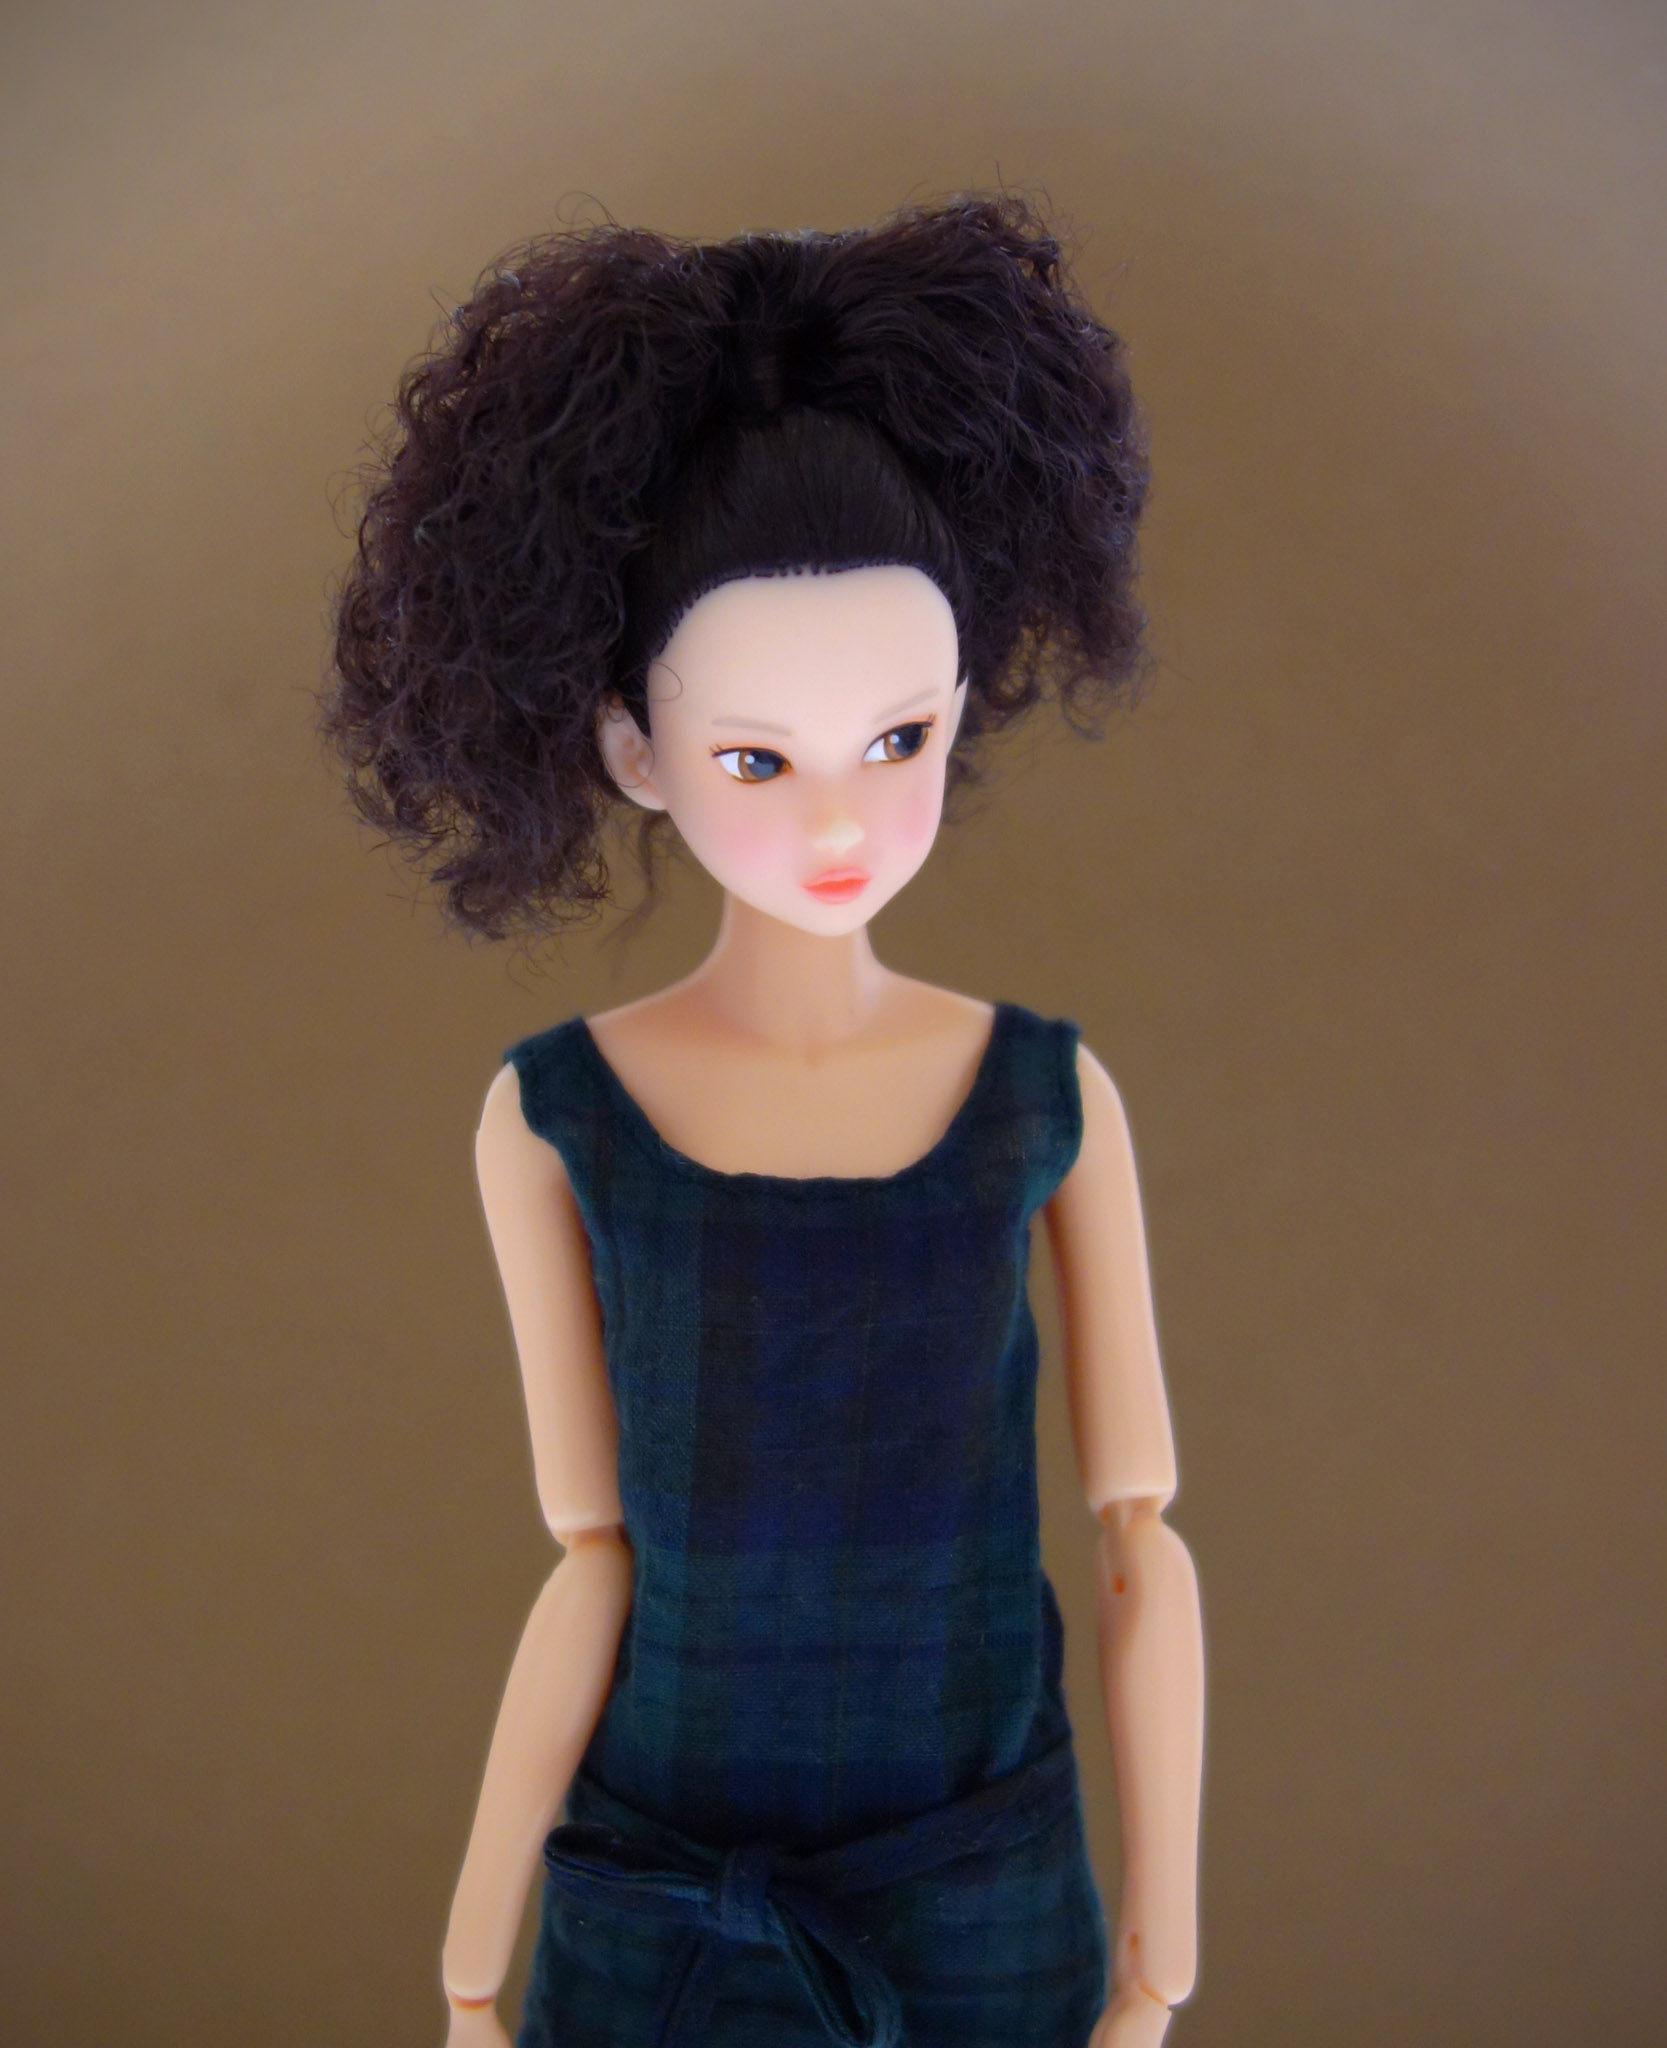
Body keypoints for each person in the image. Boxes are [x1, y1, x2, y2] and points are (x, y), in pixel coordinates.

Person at [319, 191, 1204, 2048]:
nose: (840, 824)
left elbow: (1141, 1538)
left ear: (963, 704)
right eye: (754, 758)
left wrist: (1161, 1953)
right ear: (631, 751)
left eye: (899, 740)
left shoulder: (1045, 1102)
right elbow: (594, 1560)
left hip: (982, 1891)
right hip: (661, 1905)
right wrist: (474, 1960)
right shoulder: (558, 1120)